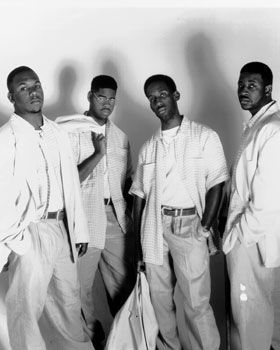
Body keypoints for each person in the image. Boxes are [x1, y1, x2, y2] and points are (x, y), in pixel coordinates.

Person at [130, 74, 228, 350]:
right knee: (160, 300)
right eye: (151, 98)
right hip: (155, 226)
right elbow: (138, 197)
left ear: (176, 95)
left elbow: (217, 182)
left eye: (162, 94)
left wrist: (204, 227)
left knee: (196, 302)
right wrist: (138, 247)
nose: (157, 101)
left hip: (190, 223)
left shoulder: (204, 136)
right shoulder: (149, 146)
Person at [0, 66, 94, 350]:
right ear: (11, 96)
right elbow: (1, 196)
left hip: (62, 229)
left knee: (68, 303)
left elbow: (71, 186)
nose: (33, 92)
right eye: (24, 88)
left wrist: (78, 230)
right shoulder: (6, 138)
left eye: (36, 84)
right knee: (26, 310)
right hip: (30, 232)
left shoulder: (56, 132)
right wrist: (17, 240)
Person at [56, 75, 135, 346]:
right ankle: (92, 340)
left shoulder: (121, 137)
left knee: (125, 288)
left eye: (112, 98)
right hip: (84, 219)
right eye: (102, 97)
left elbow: (127, 179)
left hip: (115, 218)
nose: (107, 103)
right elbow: (66, 180)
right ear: (90, 96)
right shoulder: (69, 130)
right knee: (79, 291)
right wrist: (97, 155)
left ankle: (127, 341)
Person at [223, 61, 280, 350]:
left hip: (252, 240)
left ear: (268, 88)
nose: (244, 91)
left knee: (249, 316)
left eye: (252, 85)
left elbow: (268, 201)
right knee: (263, 318)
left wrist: (238, 237)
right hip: (254, 239)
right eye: (241, 85)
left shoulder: (273, 129)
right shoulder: (257, 125)